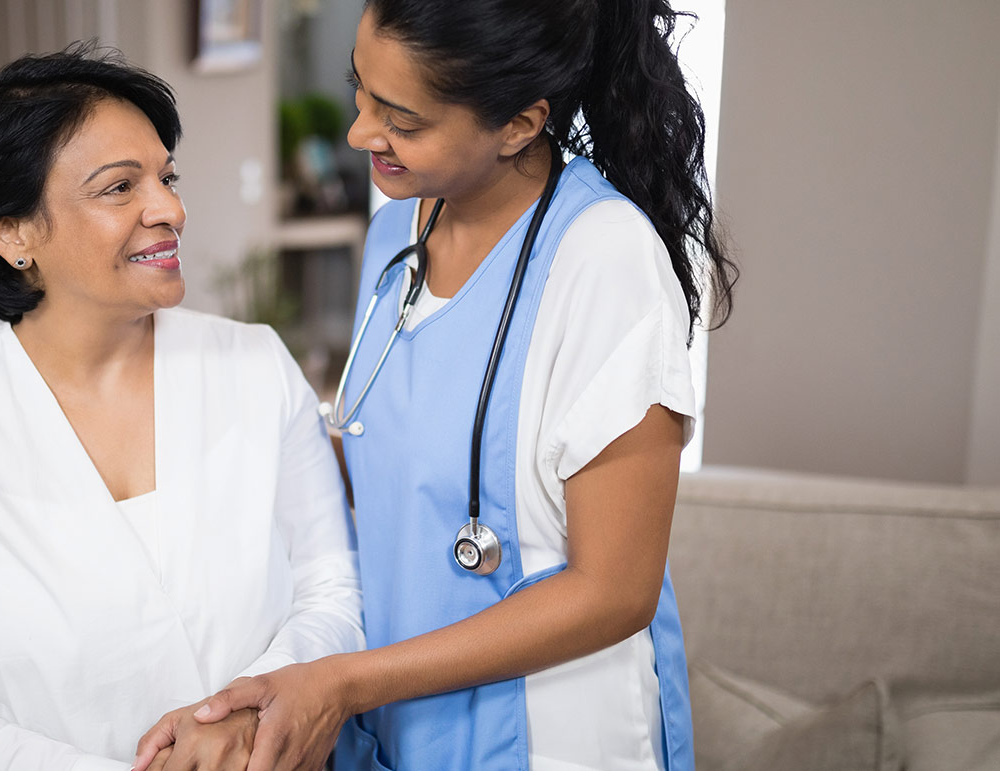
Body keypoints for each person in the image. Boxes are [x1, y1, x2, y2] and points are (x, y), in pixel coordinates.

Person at [133, 1, 738, 770]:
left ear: (519, 123)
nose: (359, 133)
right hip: (399, 722)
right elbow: (388, 462)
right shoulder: (398, 230)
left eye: (401, 119)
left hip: (551, 735)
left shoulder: (604, 260)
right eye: (362, 92)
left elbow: (615, 590)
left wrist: (343, 682)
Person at [0, 44, 364, 771]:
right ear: (13, 233)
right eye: (120, 187)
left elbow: (332, 589)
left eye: (166, 176)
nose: (171, 209)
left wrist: (250, 713)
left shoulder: (254, 366)